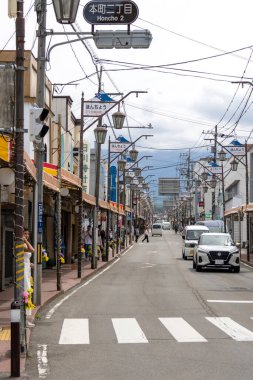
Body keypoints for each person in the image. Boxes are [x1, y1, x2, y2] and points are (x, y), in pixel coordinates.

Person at [23, 228, 35, 325]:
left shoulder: (25, 243)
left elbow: (25, 256)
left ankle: (26, 318)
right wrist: (25, 240)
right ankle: (25, 319)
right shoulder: (22, 243)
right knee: (26, 291)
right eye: (25, 234)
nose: (27, 235)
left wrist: (29, 263)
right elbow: (32, 250)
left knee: (28, 290)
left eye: (28, 234)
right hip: (23, 270)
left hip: (27, 268)